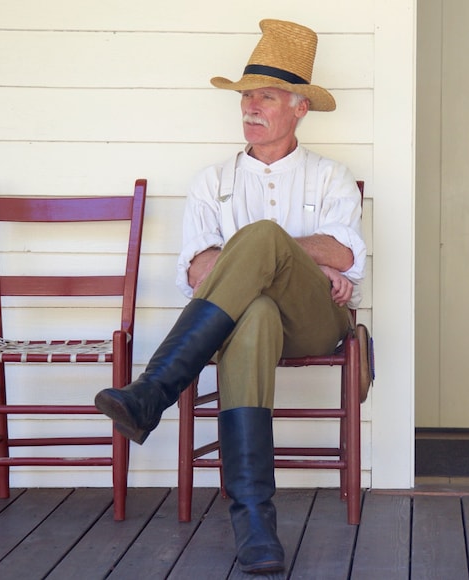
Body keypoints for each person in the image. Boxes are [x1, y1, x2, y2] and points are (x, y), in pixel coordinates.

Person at [94, 19, 365, 575]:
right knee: (257, 310)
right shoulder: (210, 181)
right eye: (246, 97)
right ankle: (255, 526)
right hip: (241, 324)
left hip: (316, 321)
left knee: (261, 237)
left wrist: (270, 251)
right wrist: (297, 261)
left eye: (266, 96)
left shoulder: (331, 177)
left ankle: (154, 390)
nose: (250, 107)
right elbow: (199, 270)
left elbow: (343, 252)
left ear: (300, 108)